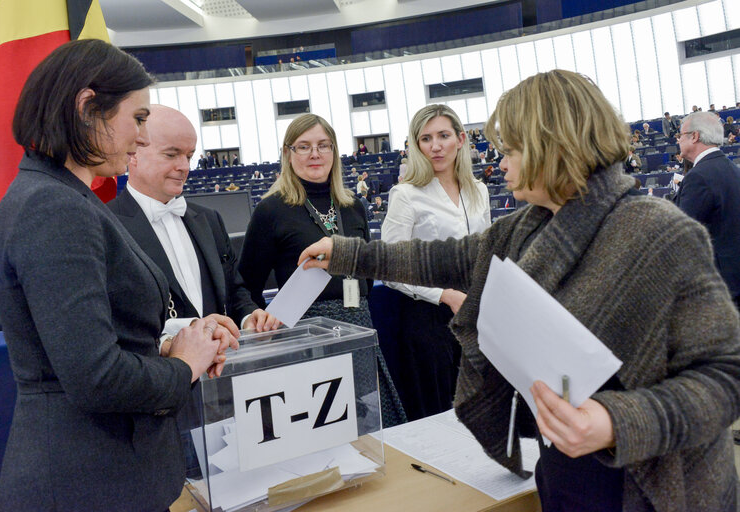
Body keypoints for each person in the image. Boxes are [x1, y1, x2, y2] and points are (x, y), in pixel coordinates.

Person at [300, 70, 740, 512]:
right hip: (565, 471)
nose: (501, 162)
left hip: (653, 485)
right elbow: (440, 258)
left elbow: (723, 378)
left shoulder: (662, 234)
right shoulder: (528, 227)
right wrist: (345, 253)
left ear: (552, 147)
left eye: (510, 150)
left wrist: (615, 422)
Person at [0, 39, 235, 512]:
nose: (143, 137)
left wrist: (176, 345)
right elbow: (95, 376)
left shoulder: (65, 197)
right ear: (88, 107)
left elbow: (90, 344)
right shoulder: (53, 205)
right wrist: (183, 366)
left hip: (102, 474)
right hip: (84, 478)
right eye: (139, 118)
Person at [107, 105, 280, 477]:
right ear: (133, 153)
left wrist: (251, 315)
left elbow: (234, 291)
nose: (184, 166)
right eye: (172, 154)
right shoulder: (105, 225)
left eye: (189, 155)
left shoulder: (209, 219)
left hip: (225, 393)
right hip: (159, 404)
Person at [238, 113, 406, 427]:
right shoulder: (270, 210)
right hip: (307, 336)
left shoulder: (353, 205)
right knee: (324, 434)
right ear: (288, 154)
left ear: (333, 152)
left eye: (323, 145)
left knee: (374, 433)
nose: (315, 154)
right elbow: (246, 285)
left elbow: (366, 275)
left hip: (358, 328)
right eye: (303, 147)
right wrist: (261, 327)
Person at [380, 104, 491, 421]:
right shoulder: (406, 195)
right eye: (426, 138)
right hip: (428, 320)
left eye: (443, 135)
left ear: (460, 139)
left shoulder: (479, 192)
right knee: (438, 416)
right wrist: (443, 294)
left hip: (473, 315)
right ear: (416, 146)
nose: (436, 146)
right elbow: (390, 267)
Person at [675, 111, 740, 310]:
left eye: (680, 135)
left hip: (721, 288)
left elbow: (682, 235)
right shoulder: (733, 170)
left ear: (694, 136)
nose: (678, 141)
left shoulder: (698, 177)